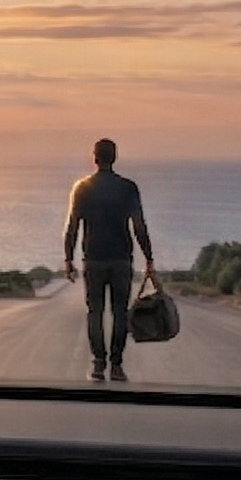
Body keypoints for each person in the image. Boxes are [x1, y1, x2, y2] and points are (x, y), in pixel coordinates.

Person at [62, 138, 157, 381]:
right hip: (121, 260)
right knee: (120, 313)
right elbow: (139, 226)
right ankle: (116, 365)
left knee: (94, 312)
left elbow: (72, 226)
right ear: (114, 157)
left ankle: (98, 364)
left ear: (94, 157)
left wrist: (68, 259)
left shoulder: (82, 188)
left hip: (93, 259)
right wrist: (149, 257)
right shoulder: (128, 188)